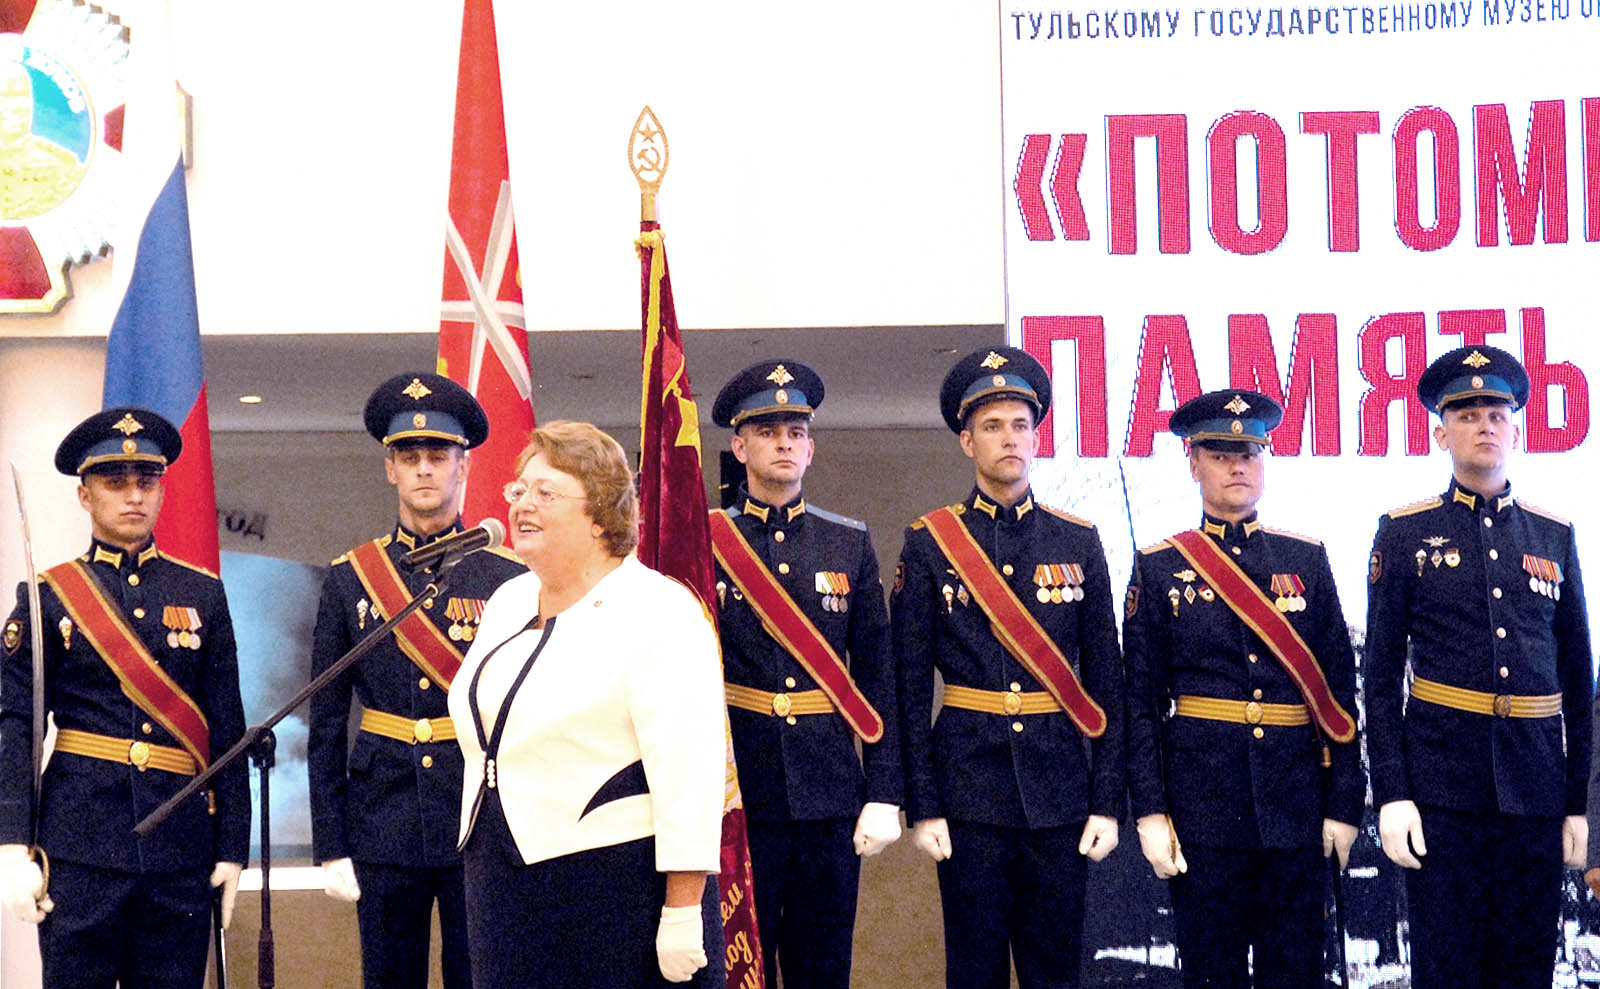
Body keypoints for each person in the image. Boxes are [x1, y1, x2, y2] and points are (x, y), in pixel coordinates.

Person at [449, 420, 726, 987]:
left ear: (600, 514)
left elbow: (690, 774)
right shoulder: (508, 600)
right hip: (499, 873)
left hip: (612, 880)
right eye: (519, 490)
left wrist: (682, 910)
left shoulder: (658, 609)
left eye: (546, 493)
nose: (523, 504)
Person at [892, 346, 1124, 989]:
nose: (1010, 438)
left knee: (1057, 974)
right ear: (967, 442)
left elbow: (1106, 680)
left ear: (1036, 437)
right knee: (974, 973)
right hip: (967, 791)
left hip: (1060, 791)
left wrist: (1107, 801)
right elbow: (908, 686)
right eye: (992, 426)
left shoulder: (1077, 540)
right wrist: (923, 805)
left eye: (1021, 425)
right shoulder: (930, 542)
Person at [1122, 389, 1363, 987]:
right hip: (1203, 809)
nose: (1237, 466)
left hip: (1296, 806)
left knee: (1298, 974)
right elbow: (1140, 705)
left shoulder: (1306, 559)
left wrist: (1343, 802)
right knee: (1212, 974)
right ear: (1193, 463)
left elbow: (1339, 693)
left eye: (1250, 453)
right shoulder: (1159, 567)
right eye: (1221, 454)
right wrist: (1151, 810)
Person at [0, 406, 248, 987]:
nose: (134, 496)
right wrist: (11, 844)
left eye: (147, 482)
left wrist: (232, 846)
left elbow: (228, 728)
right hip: (80, 845)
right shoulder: (49, 598)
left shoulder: (203, 594)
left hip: (179, 848)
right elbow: (15, 726)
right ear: (85, 496)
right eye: (115, 483)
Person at [1367, 345, 1590, 989]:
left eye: (1497, 414)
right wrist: (1393, 795)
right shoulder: (1404, 533)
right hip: (1442, 793)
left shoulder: (1553, 535)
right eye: (1467, 415)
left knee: (1526, 970)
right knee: (1447, 970)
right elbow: (1380, 679)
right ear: (1441, 434)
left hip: (1536, 792)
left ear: (1516, 428)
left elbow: (1580, 681)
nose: (1485, 426)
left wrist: (1580, 805)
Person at [306, 372, 526, 989]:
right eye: (409, 457)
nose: (424, 469)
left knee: (477, 977)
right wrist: (331, 841)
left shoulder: (509, 577)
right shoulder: (352, 578)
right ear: (390, 469)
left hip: (479, 814)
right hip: (382, 815)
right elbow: (326, 720)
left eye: (439, 455)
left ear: (464, 466)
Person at [709, 359, 901, 987]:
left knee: (824, 968)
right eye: (767, 432)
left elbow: (877, 674)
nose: (784, 443)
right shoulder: (706, 542)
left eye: (796, 432)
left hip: (830, 791)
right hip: (739, 791)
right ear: (740, 447)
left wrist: (883, 790)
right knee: (743, 969)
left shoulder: (847, 542)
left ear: (811, 449)